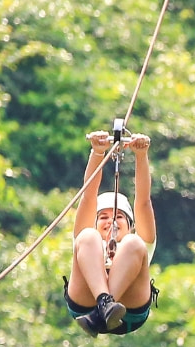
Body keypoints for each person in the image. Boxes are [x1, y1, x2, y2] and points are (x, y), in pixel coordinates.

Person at [66, 129, 157, 336]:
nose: (111, 221)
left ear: (130, 223)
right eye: (104, 217)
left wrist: (141, 156)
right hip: (85, 305)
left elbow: (143, 202)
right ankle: (104, 304)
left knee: (134, 243)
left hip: (128, 312)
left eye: (118, 217)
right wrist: (97, 152)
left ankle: (103, 311)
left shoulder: (139, 240)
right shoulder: (90, 239)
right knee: (87, 236)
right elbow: (88, 196)